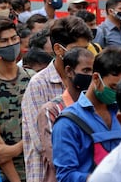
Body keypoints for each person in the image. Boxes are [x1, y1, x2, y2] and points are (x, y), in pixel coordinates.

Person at [21, 16, 92, 182]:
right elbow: (42, 143)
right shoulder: (39, 84)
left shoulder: (87, 79)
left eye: (86, 49)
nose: (84, 55)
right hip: (47, 174)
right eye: (77, 50)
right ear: (59, 50)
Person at [52, 47, 121, 182]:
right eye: (113, 87)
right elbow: (65, 175)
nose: (118, 93)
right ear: (96, 78)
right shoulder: (67, 122)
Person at [0, 16, 35, 181]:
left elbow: (42, 129)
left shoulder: (33, 79)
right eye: (4, 41)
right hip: (2, 173)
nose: (11, 44)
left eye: (14, 39)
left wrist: (17, 149)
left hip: (35, 166)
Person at [37, 47, 94, 182]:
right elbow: (56, 159)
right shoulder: (52, 110)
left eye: (93, 71)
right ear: (69, 71)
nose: (91, 76)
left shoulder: (96, 108)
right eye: (86, 70)